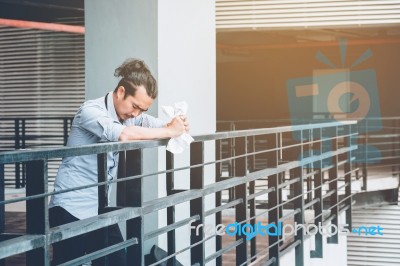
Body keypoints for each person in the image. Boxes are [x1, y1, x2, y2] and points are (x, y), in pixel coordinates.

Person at [49, 58, 189, 265]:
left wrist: (179, 125)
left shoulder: (131, 116)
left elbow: (162, 127)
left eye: (142, 110)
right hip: (70, 209)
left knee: (119, 261)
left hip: (99, 208)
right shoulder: (90, 111)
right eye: (135, 106)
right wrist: (170, 130)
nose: (136, 114)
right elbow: (124, 134)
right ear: (121, 92)